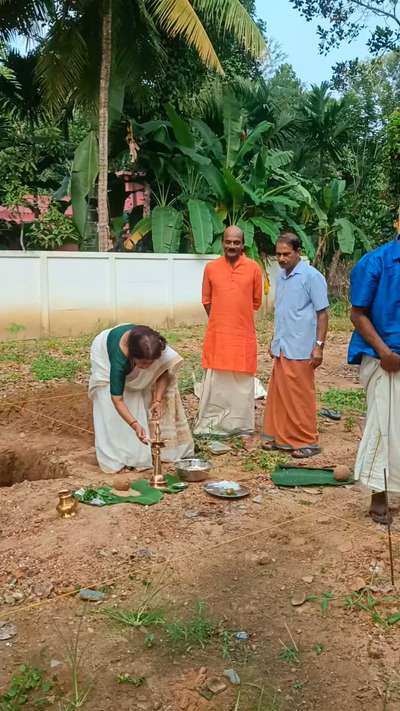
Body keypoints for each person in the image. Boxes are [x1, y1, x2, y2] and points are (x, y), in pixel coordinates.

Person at [89, 324, 194, 473]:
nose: (146, 366)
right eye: (143, 363)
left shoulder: (155, 347)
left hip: (138, 344)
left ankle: (140, 455)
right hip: (103, 352)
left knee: (140, 396)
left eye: (150, 363)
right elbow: (117, 399)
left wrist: (157, 400)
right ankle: (118, 457)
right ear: (132, 355)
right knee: (112, 406)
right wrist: (135, 424)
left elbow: (163, 372)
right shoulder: (119, 361)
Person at [348, 235, 400, 524]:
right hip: (384, 359)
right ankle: (378, 494)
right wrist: (384, 352)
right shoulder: (375, 261)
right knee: (383, 427)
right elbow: (357, 314)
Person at [263, 232, 329, 458]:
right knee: (280, 394)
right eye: (278, 254)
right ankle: (282, 437)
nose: (281, 259)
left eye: (286, 254)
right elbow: (282, 312)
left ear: (298, 252)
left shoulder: (312, 276)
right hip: (282, 346)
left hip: (302, 347)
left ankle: (307, 441)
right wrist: (274, 341)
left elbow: (322, 313)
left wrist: (319, 345)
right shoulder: (281, 277)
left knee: (300, 396)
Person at [194, 225, 263, 436]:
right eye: (228, 241)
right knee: (217, 381)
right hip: (218, 335)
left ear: (243, 245)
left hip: (243, 335)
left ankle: (240, 426)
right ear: (222, 243)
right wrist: (220, 322)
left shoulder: (253, 268)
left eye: (236, 242)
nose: (232, 246)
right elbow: (206, 301)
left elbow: (256, 301)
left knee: (241, 382)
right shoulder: (211, 268)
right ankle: (212, 425)